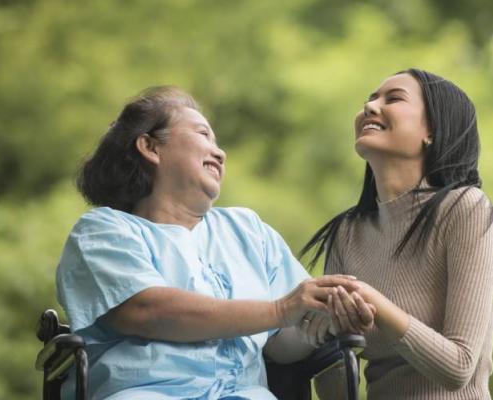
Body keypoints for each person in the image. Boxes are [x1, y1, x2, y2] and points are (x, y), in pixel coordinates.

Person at [55, 86, 362, 400]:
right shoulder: (104, 230)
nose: (220, 153)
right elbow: (145, 310)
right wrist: (282, 309)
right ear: (150, 146)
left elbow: (282, 346)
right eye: (203, 134)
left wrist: (322, 320)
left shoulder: (248, 230)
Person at [303, 68, 493, 399]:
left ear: (432, 131)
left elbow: (458, 368)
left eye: (393, 98)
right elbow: (334, 366)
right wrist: (335, 330)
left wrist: (374, 302)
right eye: (369, 99)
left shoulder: (466, 209)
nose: (370, 107)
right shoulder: (347, 233)